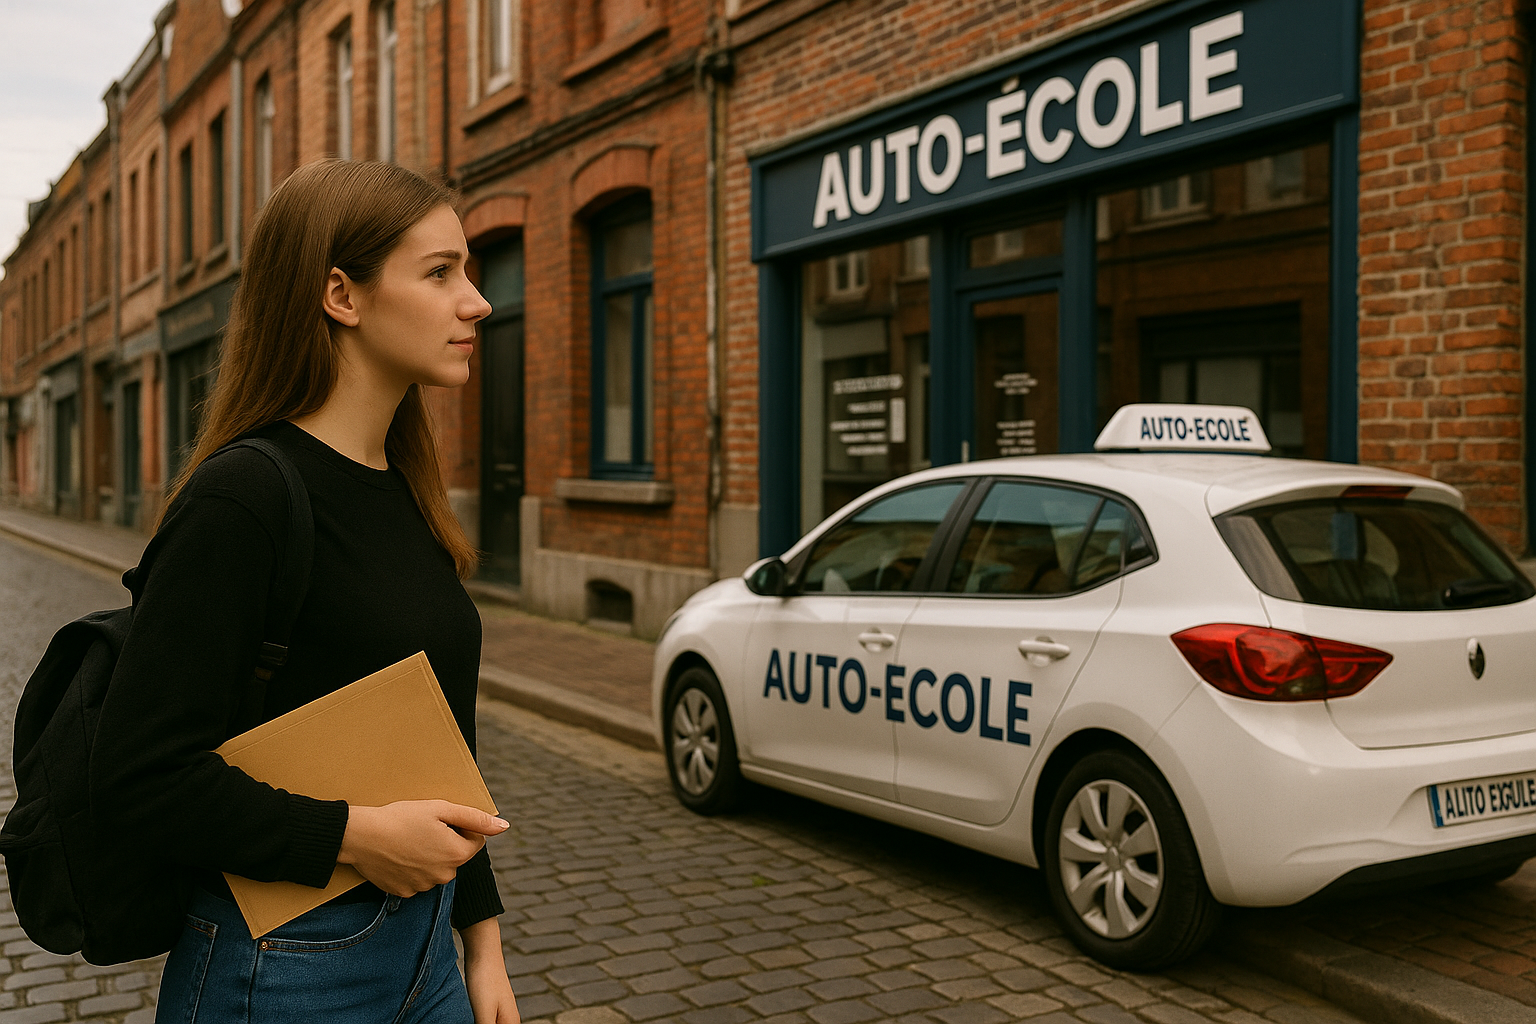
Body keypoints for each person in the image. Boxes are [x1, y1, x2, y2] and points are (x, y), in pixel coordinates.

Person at [91, 160, 520, 1023]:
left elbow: (441, 749)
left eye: (467, 273)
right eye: (440, 273)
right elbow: (138, 778)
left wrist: (482, 945)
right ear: (341, 295)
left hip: (428, 955)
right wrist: (357, 837)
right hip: (286, 971)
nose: (477, 302)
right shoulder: (243, 498)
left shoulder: (405, 486)